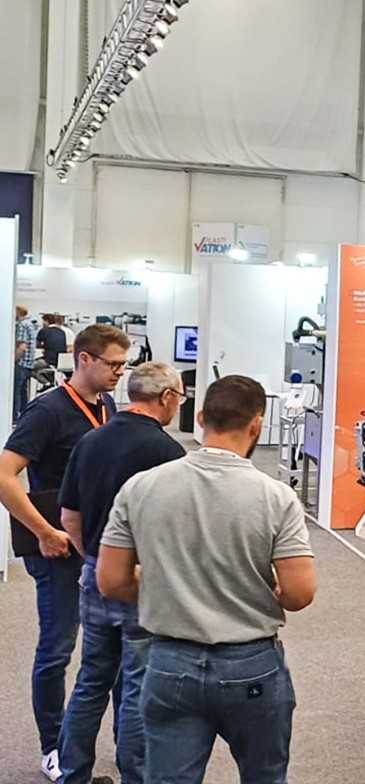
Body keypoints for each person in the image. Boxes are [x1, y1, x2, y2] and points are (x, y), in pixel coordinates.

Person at [96, 375, 317, 784]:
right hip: (251, 664)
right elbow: (300, 593)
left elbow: (110, 581)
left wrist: (167, 586)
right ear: (256, 425)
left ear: (199, 418)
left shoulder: (140, 487)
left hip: (169, 662)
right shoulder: (276, 497)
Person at [0, 324, 128, 782]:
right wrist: (44, 531)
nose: (120, 372)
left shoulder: (108, 405)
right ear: (84, 358)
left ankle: (121, 743)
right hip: (55, 548)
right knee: (57, 649)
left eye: (124, 365)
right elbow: (4, 475)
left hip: (99, 545)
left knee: (114, 647)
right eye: (113, 364)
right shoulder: (47, 411)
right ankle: (52, 747)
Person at [57, 362, 187, 784]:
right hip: (142, 582)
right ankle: (136, 775)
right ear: (166, 397)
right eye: (179, 397)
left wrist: (96, 559)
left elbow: (69, 517)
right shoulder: (169, 454)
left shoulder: (90, 440)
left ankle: (73, 772)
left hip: (95, 574)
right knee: (138, 684)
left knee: (91, 679)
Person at [15, 305, 38, 417]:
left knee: (16, 391)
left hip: (21, 362)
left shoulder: (22, 325)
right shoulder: (30, 324)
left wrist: (13, 361)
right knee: (23, 391)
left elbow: (22, 347)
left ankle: (14, 416)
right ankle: (23, 415)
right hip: (29, 363)